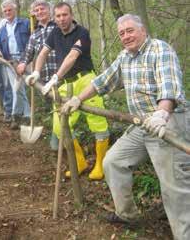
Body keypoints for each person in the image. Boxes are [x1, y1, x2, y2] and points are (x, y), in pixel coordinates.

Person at [62, 14, 190, 240]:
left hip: (167, 122)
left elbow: (169, 86)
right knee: (113, 162)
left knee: (174, 187)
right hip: (141, 124)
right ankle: (128, 215)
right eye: (121, 33)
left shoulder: (160, 50)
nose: (126, 36)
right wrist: (77, 99)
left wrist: (162, 113)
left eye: (130, 31)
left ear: (143, 30)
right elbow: (101, 82)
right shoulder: (125, 57)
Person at [26, 2, 110, 180]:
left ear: (71, 15)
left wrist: (55, 77)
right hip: (66, 84)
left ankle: (100, 165)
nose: (62, 19)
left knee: (98, 123)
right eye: (58, 16)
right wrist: (36, 72)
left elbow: (72, 56)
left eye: (65, 15)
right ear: (54, 18)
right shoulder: (55, 32)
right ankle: (79, 162)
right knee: (59, 125)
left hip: (86, 80)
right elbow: (42, 53)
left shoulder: (82, 33)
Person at [16, 0, 57, 147]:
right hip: (43, 76)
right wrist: (22, 63)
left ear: (49, 10)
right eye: (37, 10)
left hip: (59, 74)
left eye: (42, 9)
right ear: (34, 14)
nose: (40, 12)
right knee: (49, 107)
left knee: (59, 105)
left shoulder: (57, 26)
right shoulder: (35, 34)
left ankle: (59, 139)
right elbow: (28, 52)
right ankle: (55, 135)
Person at [0, 0, 30, 129]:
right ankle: (25, 116)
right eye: (5, 11)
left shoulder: (25, 23)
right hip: (9, 62)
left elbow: (34, 39)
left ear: (15, 10)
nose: (8, 13)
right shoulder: (2, 30)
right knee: (18, 89)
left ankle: (17, 116)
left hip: (25, 59)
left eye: (10, 10)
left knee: (18, 89)